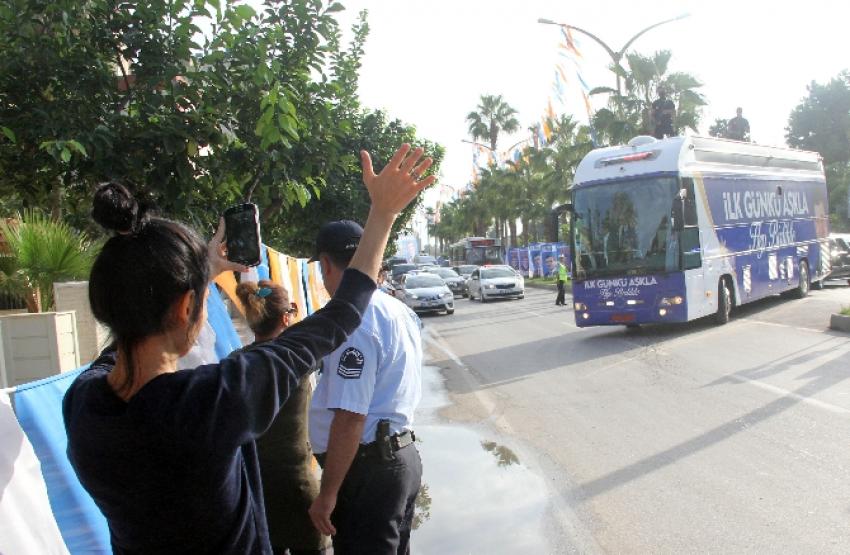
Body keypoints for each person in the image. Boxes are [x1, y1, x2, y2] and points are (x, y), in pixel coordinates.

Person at [62, 143, 435, 554]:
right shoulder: (214, 400)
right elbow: (344, 311)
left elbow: (127, 330)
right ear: (187, 306)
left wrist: (197, 273)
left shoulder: (84, 402)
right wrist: (382, 214)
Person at [307, 219, 424, 554]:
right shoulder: (397, 310)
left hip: (369, 470)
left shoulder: (353, 321)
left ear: (326, 266)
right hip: (399, 458)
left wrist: (327, 494)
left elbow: (350, 418)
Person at [233, 280, 329, 555]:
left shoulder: (234, 365)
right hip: (297, 486)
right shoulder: (296, 360)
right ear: (286, 317)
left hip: (256, 490)